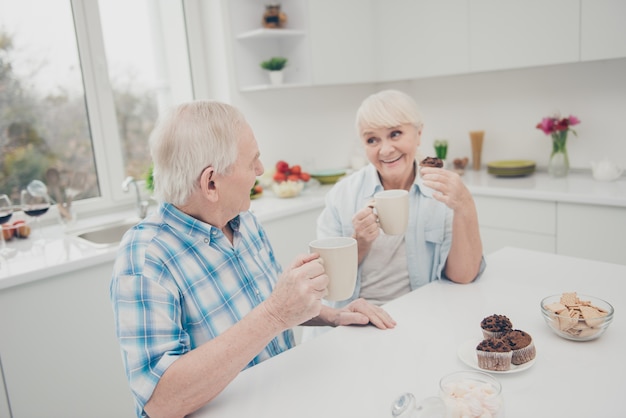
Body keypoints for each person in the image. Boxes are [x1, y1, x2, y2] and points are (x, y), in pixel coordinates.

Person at [109, 100, 396, 418]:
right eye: (253, 162)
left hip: (288, 398)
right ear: (211, 183)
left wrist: (333, 315)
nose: (261, 171)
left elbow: (276, 307)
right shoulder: (145, 260)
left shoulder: (244, 223)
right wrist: (275, 313)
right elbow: (161, 401)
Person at [308, 89, 485, 320]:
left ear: (419, 134)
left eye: (395, 134)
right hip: (356, 319)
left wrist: (465, 206)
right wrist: (359, 241)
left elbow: (463, 276)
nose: (386, 149)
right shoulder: (343, 195)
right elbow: (324, 285)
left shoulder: (441, 192)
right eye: (372, 139)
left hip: (420, 315)